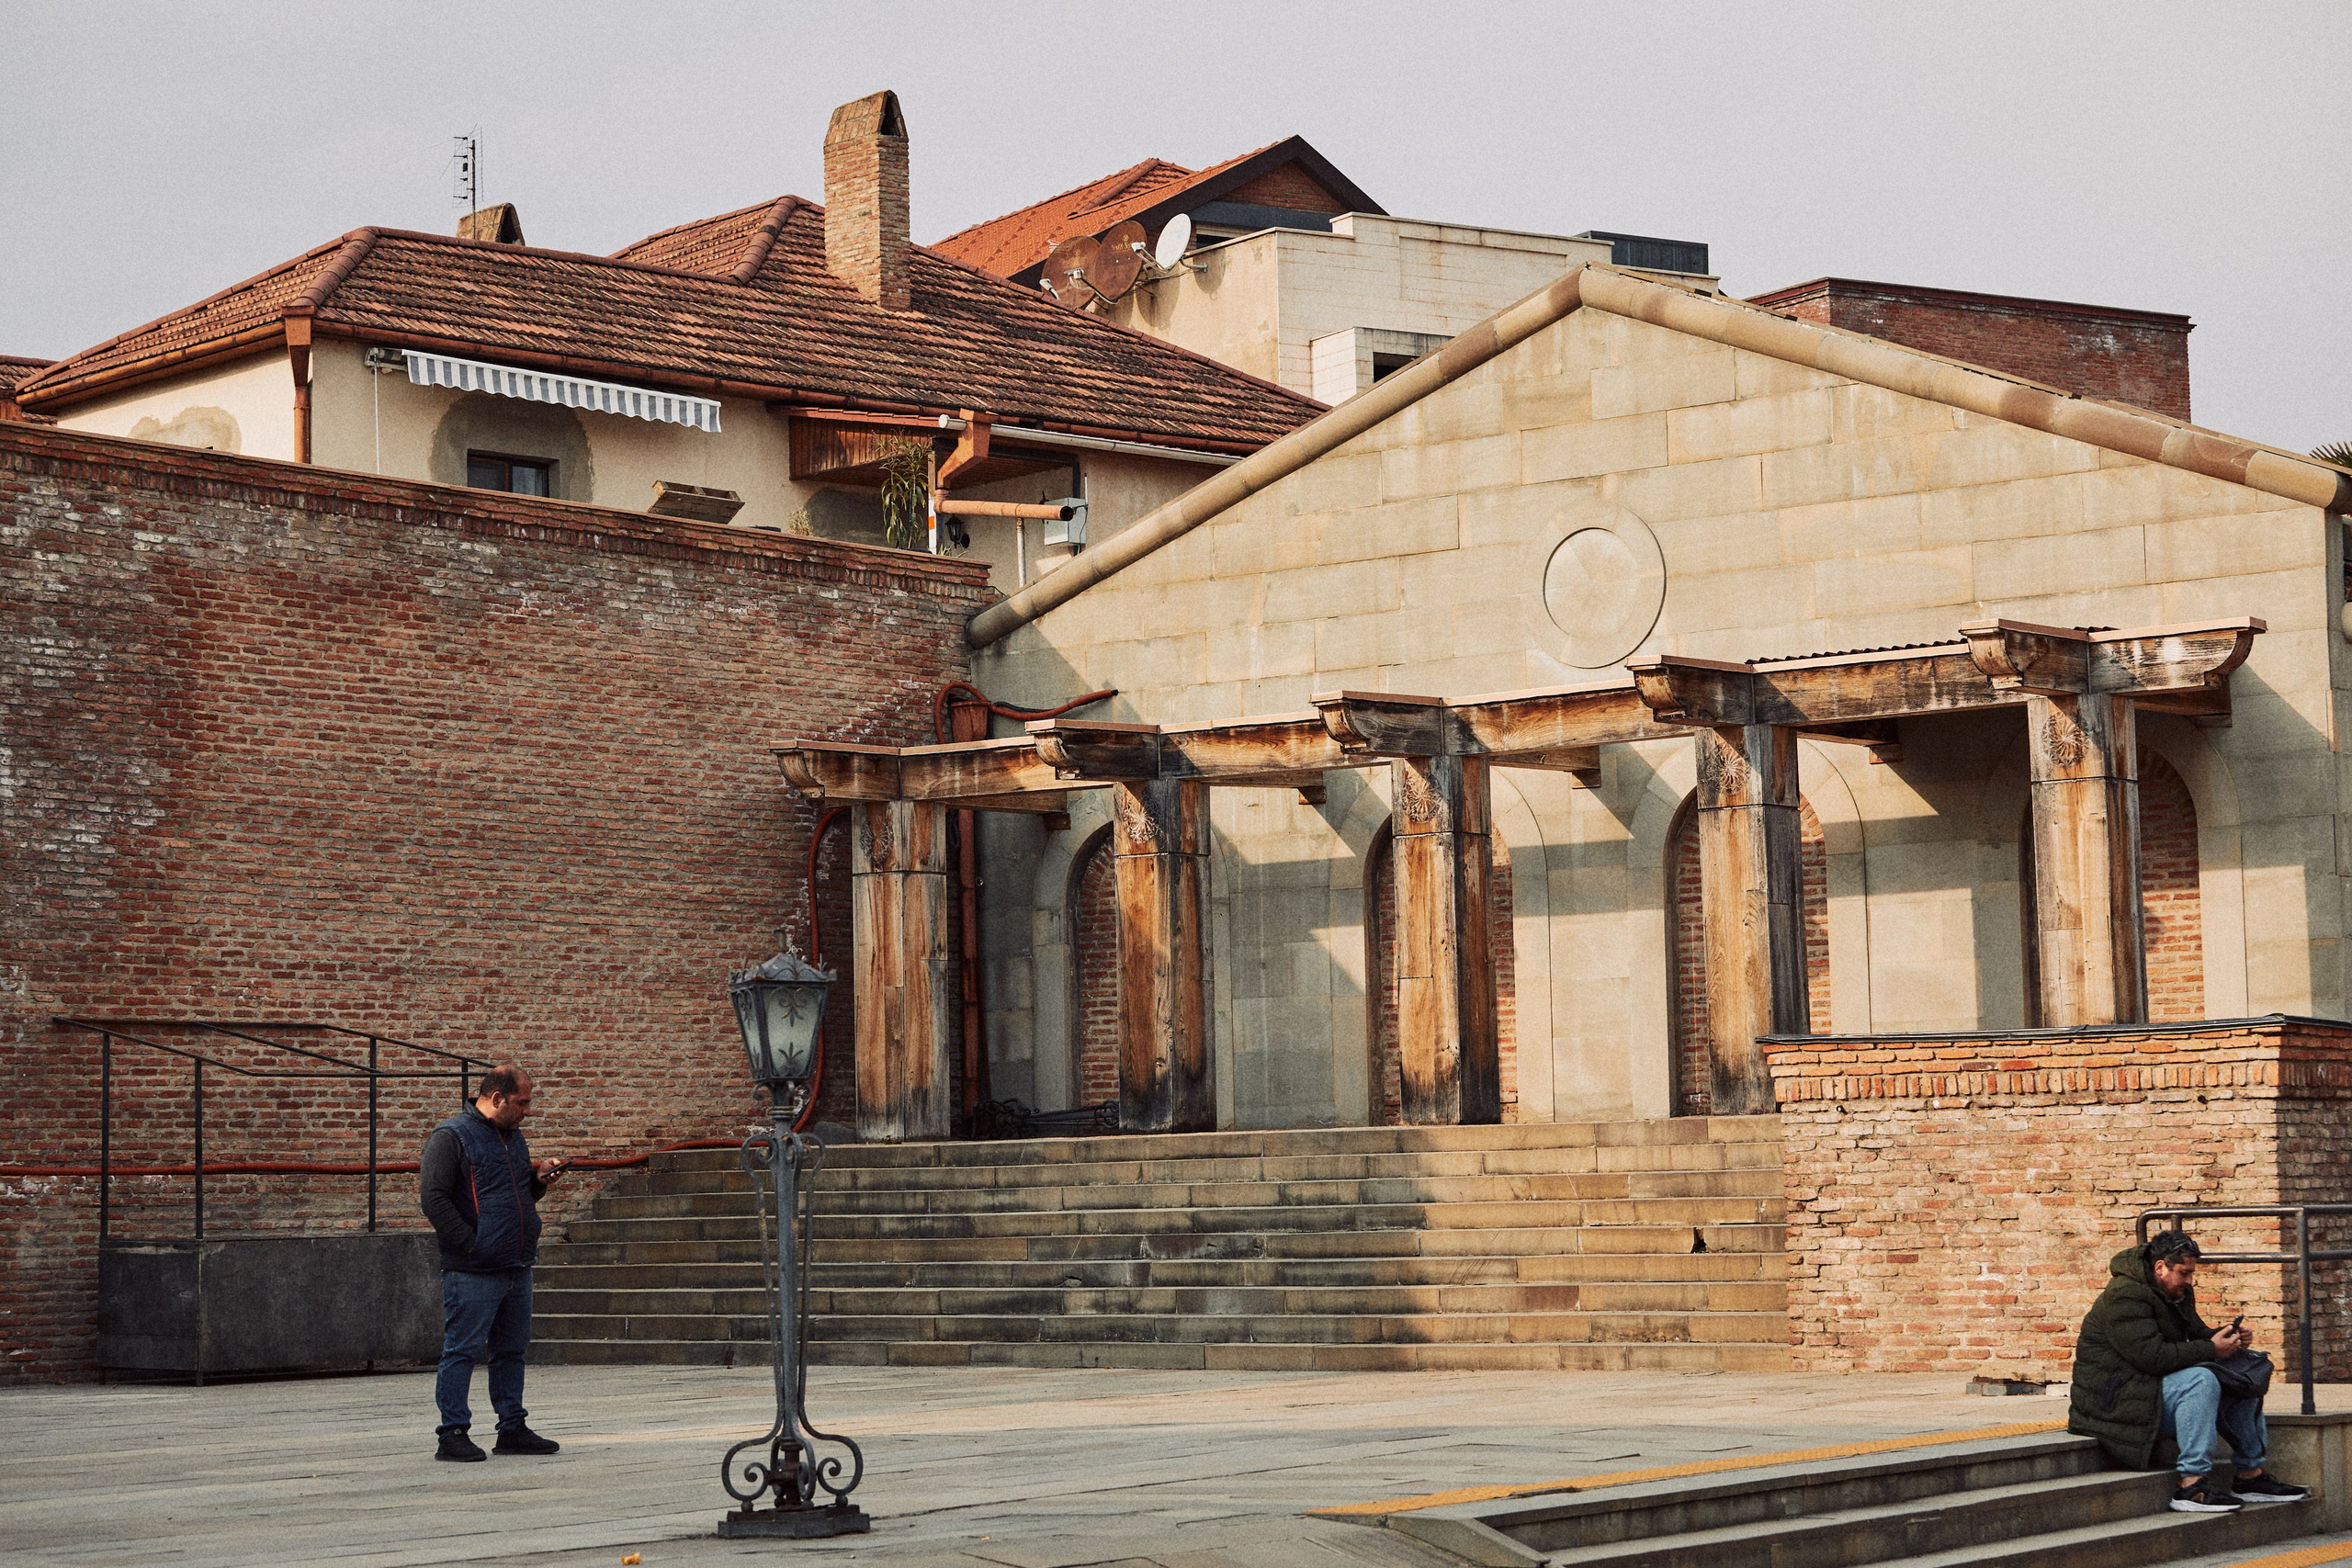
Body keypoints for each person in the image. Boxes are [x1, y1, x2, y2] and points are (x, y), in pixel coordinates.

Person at [2068, 1229, 2308, 1513]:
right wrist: (2211, 1349)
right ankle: (2191, 1485)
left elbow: (2195, 1334)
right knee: (2200, 1380)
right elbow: (2153, 1357)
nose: (2189, 1280)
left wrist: (2226, 1336)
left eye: (2192, 1273)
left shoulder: (2176, 1291)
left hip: (2148, 1394)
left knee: (2242, 1376)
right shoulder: (2125, 1297)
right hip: (2116, 1405)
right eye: (2184, 1273)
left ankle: (2250, 1477)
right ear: (2160, 1267)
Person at [419, 1062, 570, 1462]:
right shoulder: (449, 1137)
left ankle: (512, 1428)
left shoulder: (513, 1138)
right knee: (462, 1350)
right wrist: (474, 1244)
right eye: (522, 1103)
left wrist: (538, 1181)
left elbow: (519, 1196)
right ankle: (452, 1433)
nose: (527, 1110)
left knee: (510, 1351)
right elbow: (433, 1200)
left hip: (516, 1263)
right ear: (497, 1098)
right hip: (472, 1269)